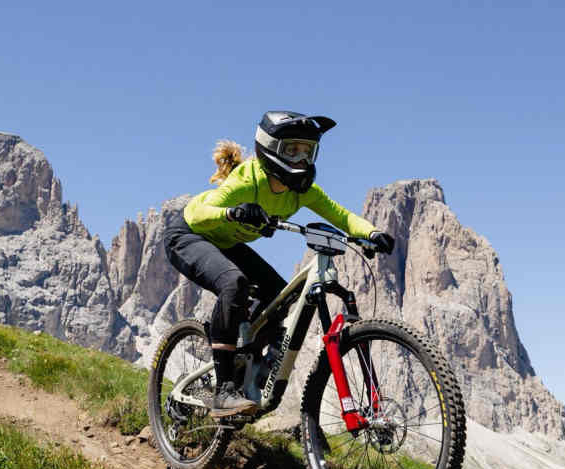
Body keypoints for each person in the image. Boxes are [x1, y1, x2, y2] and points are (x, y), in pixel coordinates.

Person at [163, 110, 395, 417]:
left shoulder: (303, 193)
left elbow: (341, 216)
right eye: (292, 150)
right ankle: (223, 391)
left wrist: (372, 233)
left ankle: (243, 358)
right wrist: (232, 212)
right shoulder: (247, 180)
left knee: (278, 294)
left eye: (307, 151)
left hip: (227, 244)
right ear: (270, 149)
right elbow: (196, 214)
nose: (301, 160)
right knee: (233, 283)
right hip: (189, 236)